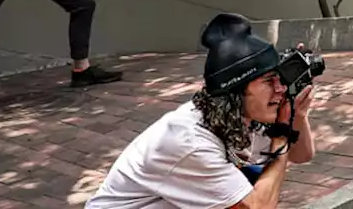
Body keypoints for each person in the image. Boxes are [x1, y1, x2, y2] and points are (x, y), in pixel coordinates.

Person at [86, 13, 318, 209]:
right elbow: (258, 206)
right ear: (235, 92)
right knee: (255, 184)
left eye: (280, 79)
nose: (280, 89)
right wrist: (280, 137)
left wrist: (297, 115)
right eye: (269, 81)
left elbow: (301, 155)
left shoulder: (238, 115)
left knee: (255, 175)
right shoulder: (190, 141)